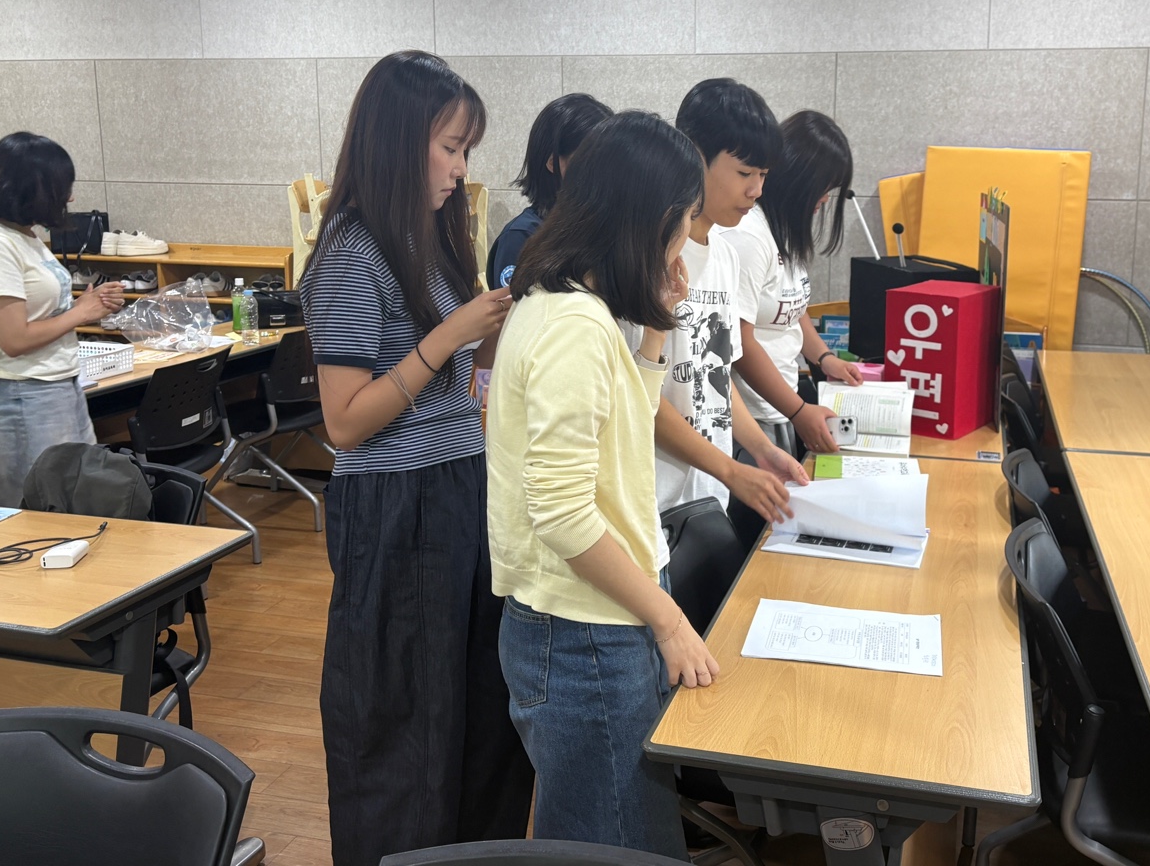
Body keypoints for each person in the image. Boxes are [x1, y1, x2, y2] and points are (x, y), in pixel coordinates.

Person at [299, 50, 531, 866]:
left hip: (459, 486)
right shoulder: (351, 251)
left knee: (478, 709)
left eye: (466, 150)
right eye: (451, 148)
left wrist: (495, 331)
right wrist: (449, 335)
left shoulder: (427, 240)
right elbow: (345, 423)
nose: (461, 169)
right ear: (399, 142)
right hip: (397, 505)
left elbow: (454, 383)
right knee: (403, 722)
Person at [488, 110, 719, 860]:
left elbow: (630, 419)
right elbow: (561, 514)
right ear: (653, 220)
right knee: (617, 846)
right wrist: (669, 621)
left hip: (594, 621)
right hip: (585, 632)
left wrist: (657, 329)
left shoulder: (572, 308)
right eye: (686, 219)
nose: (689, 237)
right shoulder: (573, 326)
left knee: (618, 836)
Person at [620, 79, 807, 533]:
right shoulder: (650, 256)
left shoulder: (725, 253)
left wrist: (761, 450)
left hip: (707, 495)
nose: (757, 190)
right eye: (744, 173)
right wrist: (730, 469)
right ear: (693, 155)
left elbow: (717, 376)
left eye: (764, 175)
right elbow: (639, 394)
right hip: (653, 501)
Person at [0, 133, 125, 509]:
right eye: (63, 188)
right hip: (21, 393)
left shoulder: (26, 237)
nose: (70, 199)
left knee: (76, 498)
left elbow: (39, 313)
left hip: (57, 385)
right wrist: (81, 313)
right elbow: (14, 340)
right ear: (33, 188)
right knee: (36, 509)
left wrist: (88, 303)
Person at [721, 109, 864, 463]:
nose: (825, 199)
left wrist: (825, 358)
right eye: (824, 188)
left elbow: (792, 308)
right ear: (799, 180)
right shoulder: (748, 236)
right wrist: (798, 411)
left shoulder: (784, 229)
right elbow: (739, 342)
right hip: (753, 416)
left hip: (783, 403)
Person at [486, 93, 613, 289]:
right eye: (590, 162)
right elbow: (512, 308)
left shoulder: (596, 231)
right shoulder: (520, 237)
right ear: (553, 163)